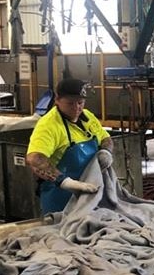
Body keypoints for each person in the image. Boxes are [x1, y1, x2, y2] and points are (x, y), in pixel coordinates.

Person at [26, 78, 113, 214]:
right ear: (57, 100)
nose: (76, 108)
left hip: (90, 193)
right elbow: (34, 158)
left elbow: (105, 138)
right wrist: (65, 182)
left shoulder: (88, 117)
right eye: (70, 103)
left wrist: (106, 152)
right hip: (60, 197)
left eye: (80, 103)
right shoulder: (48, 125)